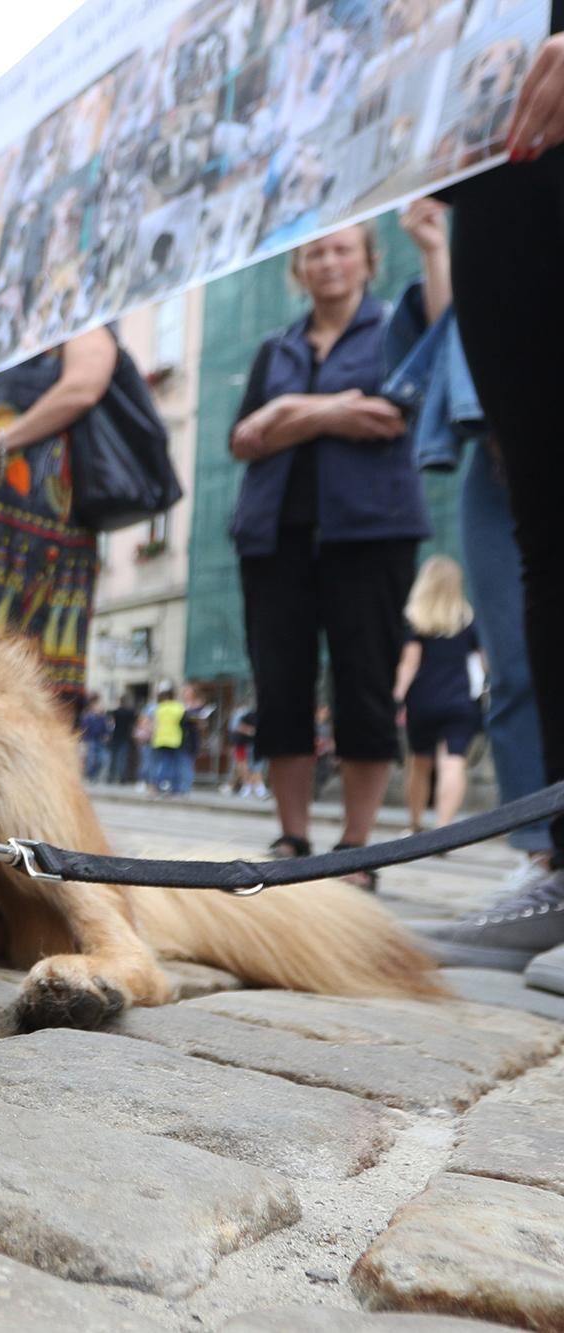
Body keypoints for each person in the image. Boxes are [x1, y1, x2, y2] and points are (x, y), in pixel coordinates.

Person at [228, 223, 427, 889]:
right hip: (274, 533)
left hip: (371, 531)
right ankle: (292, 836)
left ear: (368, 260)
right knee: (280, 682)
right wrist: (329, 407)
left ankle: (357, 848)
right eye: (316, 251)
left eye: (343, 248)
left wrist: (289, 413)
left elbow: (390, 417)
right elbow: (243, 438)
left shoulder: (395, 326)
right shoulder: (274, 347)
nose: (329, 261)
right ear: (299, 269)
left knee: (364, 683)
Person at [400, 195, 555, 912]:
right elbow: (458, 330)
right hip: (501, 445)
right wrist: (435, 244)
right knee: (518, 665)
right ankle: (544, 860)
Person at [0, 327, 119, 715]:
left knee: (37, 683)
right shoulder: (1, 325)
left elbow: (83, 388)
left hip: (43, 520)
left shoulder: (80, 318)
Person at [394, 556, 484, 837]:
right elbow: (483, 663)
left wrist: (396, 696)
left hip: (423, 700)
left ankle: (415, 824)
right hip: (461, 700)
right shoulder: (468, 621)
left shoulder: (415, 620)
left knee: (419, 763)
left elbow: (409, 663)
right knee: (454, 761)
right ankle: (443, 829)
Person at [149, 685, 185, 795]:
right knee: (172, 763)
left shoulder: (158, 707)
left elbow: (154, 722)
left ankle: (159, 784)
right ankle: (169, 785)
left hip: (159, 738)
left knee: (162, 762)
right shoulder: (178, 707)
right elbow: (183, 718)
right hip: (174, 738)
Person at [78, 693, 111, 782]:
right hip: (90, 740)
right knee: (91, 760)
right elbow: (83, 729)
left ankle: (95, 775)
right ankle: (90, 776)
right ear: (93, 706)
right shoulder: (87, 717)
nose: (100, 707)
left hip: (100, 741)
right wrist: (83, 741)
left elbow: (106, 728)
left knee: (102, 759)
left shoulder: (103, 718)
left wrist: (106, 735)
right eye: (98, 705)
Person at [107, 695, 139, 785]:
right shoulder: (130, 712)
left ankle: (111, 777)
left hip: (116, 737)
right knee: (123, 759)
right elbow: (135, 720)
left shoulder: (115, 712)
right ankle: (122, 778)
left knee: (114, 758)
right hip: (125, 737)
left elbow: (109, 719)